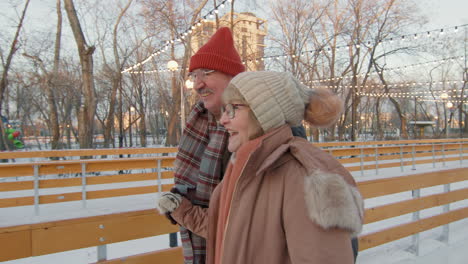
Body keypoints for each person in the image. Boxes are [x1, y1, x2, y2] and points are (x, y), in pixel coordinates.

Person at [159, 71, 365, 264]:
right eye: (224, 109)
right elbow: (228, 231)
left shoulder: (306, 180)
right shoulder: (242, 169)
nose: (223, 120)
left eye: (234, 108)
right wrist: (182, 211)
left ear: (264, 113)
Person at [172, 27, 245, 264]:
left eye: (206, 73)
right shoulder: (201, 123)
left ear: (233, 77)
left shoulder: (254, 131)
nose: (197, 84)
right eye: (194, 75)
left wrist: (184, 212)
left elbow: (247, 225)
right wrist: (183, 199)